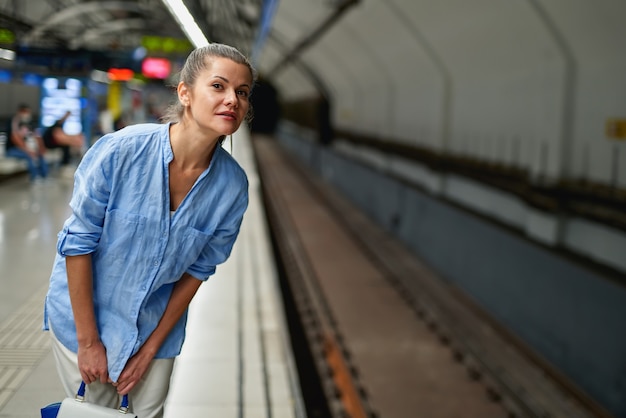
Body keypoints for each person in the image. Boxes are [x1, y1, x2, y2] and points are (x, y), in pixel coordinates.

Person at [43, 43, 257, 418]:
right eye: (219, 86)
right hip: (86, 319)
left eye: (241, 92)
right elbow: (77, 244)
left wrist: (150, 349)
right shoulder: (121, 151)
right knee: (93, 412)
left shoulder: (232, 187)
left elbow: (197, 271)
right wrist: (89, 341)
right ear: (185, 93)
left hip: (156, 329)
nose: (232, 101)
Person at [4, 104, 48, 182]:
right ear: (19, 112)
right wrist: (28, 151)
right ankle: (35, 177)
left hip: (25, 148)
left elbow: (37, 136)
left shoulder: (28, 122)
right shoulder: (13, 122)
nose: (27, 114)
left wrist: (40, 148)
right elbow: (15, 138)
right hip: (12, 150)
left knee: (39, 154)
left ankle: (44, 176)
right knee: (29, 156)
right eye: (25, 112)